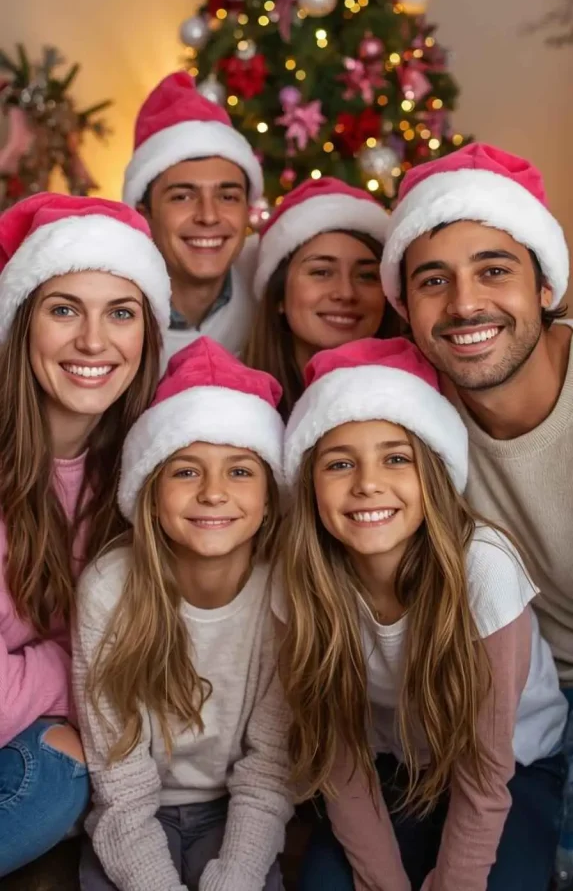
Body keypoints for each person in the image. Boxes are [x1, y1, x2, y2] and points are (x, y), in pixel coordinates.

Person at [276, 337, 567, 891]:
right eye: (339, 463)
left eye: (395, 458)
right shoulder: (300, 579)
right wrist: (381, 879)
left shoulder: (484, 568)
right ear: (310, 484)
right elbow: (338, 759)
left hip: (512, 764)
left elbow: (486, 773)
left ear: (432, 474)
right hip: (393, 761)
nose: (367, 484)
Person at [74, 337, 292, 891]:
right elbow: (117, 778)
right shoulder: (109, 589)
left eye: (241, 471)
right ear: (149, 491)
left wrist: (236, 875)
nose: (214, 493)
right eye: (186, 471)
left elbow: (270, 771)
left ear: (270, 496)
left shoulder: (286, 594)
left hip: (238, 814)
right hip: (130, 815)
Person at [0, 192, 170, 876]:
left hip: (32, 742)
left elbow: (152, 669)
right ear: (23, 325)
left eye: (120, 313)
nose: (94, 342)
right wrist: (79, 671)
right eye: (64, 309)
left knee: (60, 775)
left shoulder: (153, 472)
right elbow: (111, 676)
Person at [380, 143, 572, 693]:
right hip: (497, 695)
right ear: (404, 305)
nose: (464, 305)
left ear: (544, 287)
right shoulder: (401, 406)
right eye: (434, 281)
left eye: (493, 271)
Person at [122, 71, 263, 360]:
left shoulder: (273, 298)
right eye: (182, 197)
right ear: (143, 214)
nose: (209, 216)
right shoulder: (107, 315)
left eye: (228, 197)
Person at [245, 177, 397, 419]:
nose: (345, 293)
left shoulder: (417, 398)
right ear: (278, 296)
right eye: (321, 272)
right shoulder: (234, 404)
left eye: (366, 276)